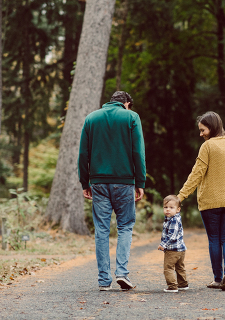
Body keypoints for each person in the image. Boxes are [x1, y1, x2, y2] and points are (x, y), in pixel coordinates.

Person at [78, 91, 146, 291]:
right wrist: (139, 182)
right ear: (127, 103)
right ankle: (122, 273)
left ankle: (103, 280)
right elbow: (138, 151)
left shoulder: (91, 118)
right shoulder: (131, 117)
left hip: (98, 182)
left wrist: (85, 182)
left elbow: (83, 153)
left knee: (101, 229)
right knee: (125, 226)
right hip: (125, 182)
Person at [177, 111, 225, 291]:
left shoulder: (208, 147)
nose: (201, 134)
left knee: (215, 239)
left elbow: (197, 174)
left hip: (211, 203)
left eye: (203, 130)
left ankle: (218, 278)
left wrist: (180, 197)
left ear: (213, 127)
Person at [157, 195, 189, 293]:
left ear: (178, 209)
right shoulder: (172, 219)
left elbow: (172, 235)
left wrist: (163, 244)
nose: (168, 210)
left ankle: (172, 286)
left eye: (171, 207)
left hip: (173, 250)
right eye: (166, 207)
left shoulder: (174, 220)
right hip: (180, 249)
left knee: (168, 268)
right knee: (180, 267)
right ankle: (183, 284)